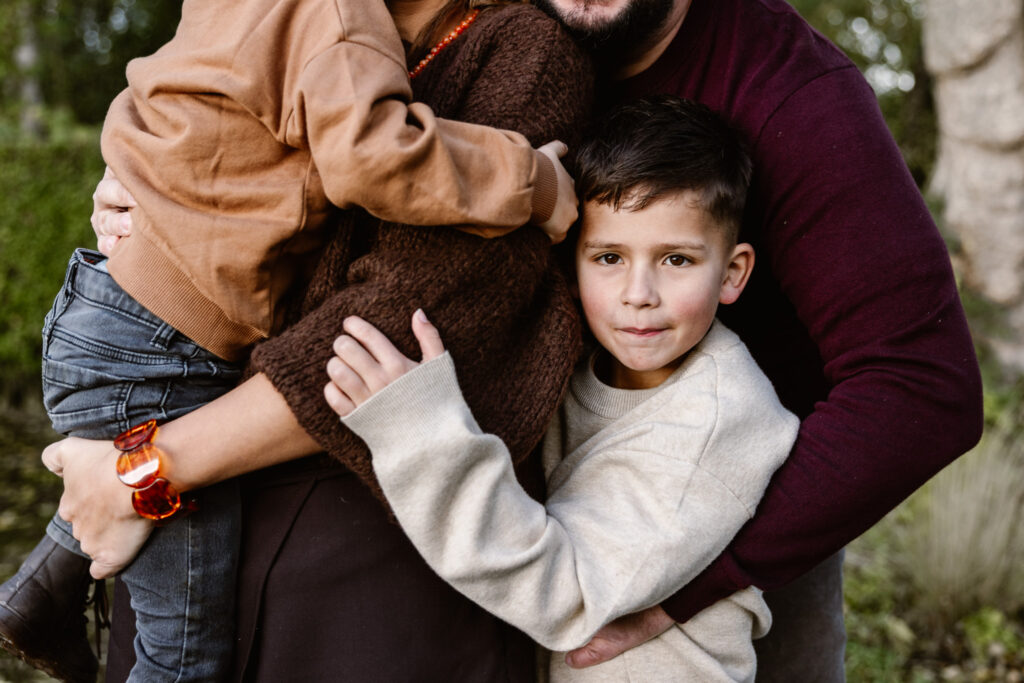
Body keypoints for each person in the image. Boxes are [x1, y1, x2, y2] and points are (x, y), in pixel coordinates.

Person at [35, 0, 593, 680]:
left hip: (364, 557)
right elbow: (167, 122)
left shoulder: (525, 52)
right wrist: (142, 203)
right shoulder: (294, 13)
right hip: (194, 489)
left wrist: (142, 473)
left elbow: (396, 324)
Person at [509, 0, 982, 679]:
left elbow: (921, 386)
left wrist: (702, 580)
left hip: (739, 543)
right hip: (526, 523)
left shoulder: (790, 91)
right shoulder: (485, 47)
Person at [323, 95, 801, 682]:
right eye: (609, 257)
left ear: (732, 273)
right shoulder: (580, 362)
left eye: (676, 259)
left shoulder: (718, 420)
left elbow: (565, 593)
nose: (638, 293)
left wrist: (419, 431)